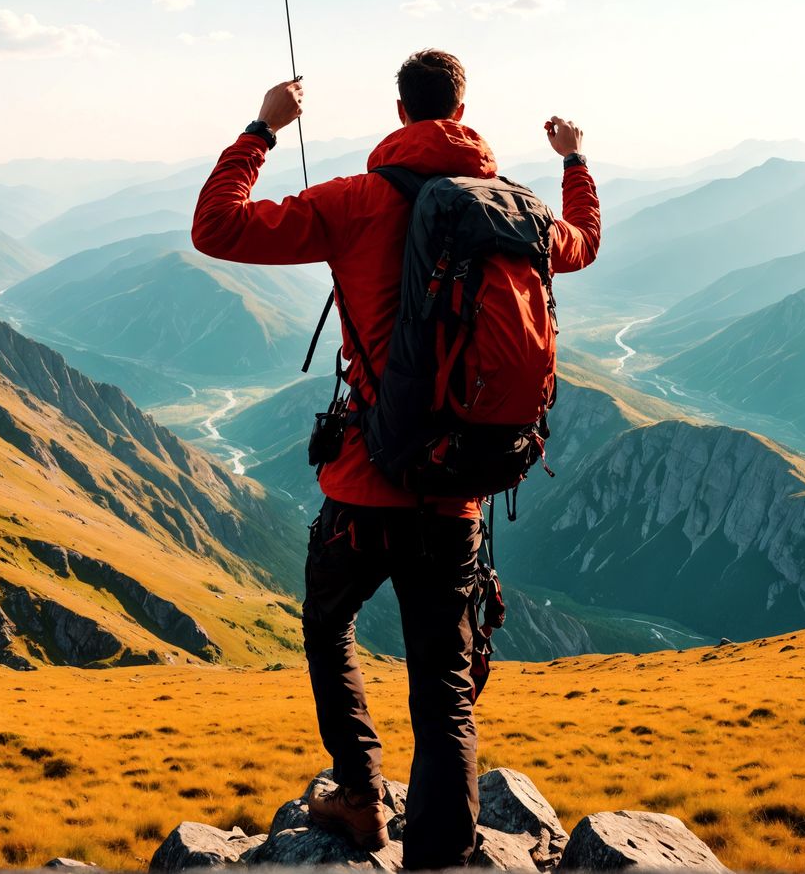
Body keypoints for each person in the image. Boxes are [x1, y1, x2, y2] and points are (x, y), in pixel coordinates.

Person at [191, 50, 600, 869]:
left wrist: (263, 127)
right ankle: (444, 854)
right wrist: (572, 161)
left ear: (402, 110)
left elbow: (218, 226)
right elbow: (583, 243)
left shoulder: (359, 200)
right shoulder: (514, 212)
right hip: (456, 497)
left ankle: (359, 792)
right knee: (442, 686)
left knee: (327, 624)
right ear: (462, 109)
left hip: (364, 485)